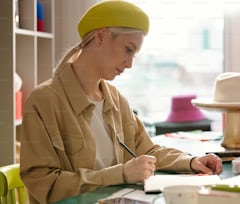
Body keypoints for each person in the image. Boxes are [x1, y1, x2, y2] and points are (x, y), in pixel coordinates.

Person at [19, 0, 223, 203]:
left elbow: (147, 150)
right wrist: (122, 173)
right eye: (128, 49)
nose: (130, 63)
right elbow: (44, 184)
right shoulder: (44, 101)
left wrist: (191, 162)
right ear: (101, 36)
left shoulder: (115, 99)